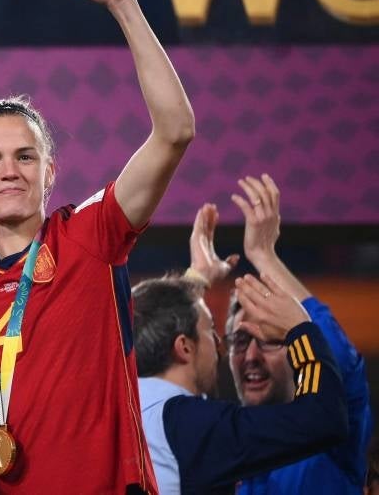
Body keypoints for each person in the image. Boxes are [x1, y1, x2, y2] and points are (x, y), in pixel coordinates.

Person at [0, 0, 195, 493]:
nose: (9, 171)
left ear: (50, 174)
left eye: (25, 156)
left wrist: (122, 4)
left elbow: (175, 130)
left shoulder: (89, 236)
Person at [132, 201, 349, 494]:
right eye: (211, 331)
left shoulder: (113, 406)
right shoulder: (193, 425)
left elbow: (144, 321)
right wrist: (300, 327)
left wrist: (194, 282)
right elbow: (322, 416)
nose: (220, 346)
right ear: (184, 347)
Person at [224, 174, 373, 495]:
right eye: (240, 341)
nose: (251, 356)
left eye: (268, 340)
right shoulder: (224, 446)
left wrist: (264, 256)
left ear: (298, 347)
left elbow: (337, 359)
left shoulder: (331, 429)